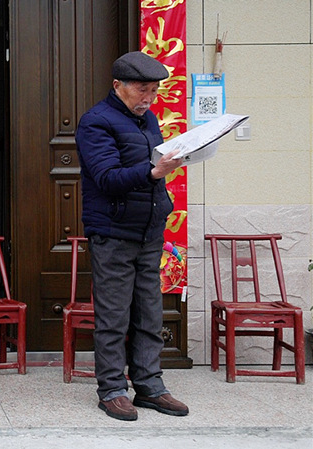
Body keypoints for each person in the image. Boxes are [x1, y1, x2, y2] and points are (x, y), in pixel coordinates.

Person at [75, 51, 189, 421]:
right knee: (113, 316)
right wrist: (154, 172)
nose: (149, 99)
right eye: (142, 91)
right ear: (117, 86)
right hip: (113, 231)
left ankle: (151, 387)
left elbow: (149, 167)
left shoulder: (148, 118)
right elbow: (108, 179)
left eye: (154, 92)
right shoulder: (95, 122)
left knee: (149, 313)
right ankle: (111, 390)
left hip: (149, 230)